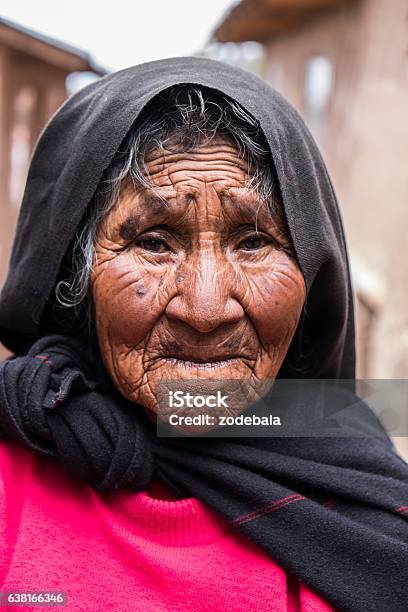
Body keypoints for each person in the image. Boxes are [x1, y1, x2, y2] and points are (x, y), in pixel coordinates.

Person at [0, 57, 407, 612]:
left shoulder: (370, 516)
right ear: (77, 280)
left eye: (253, 242)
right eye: (154, 242)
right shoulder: (13, 475)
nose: (207, 308)